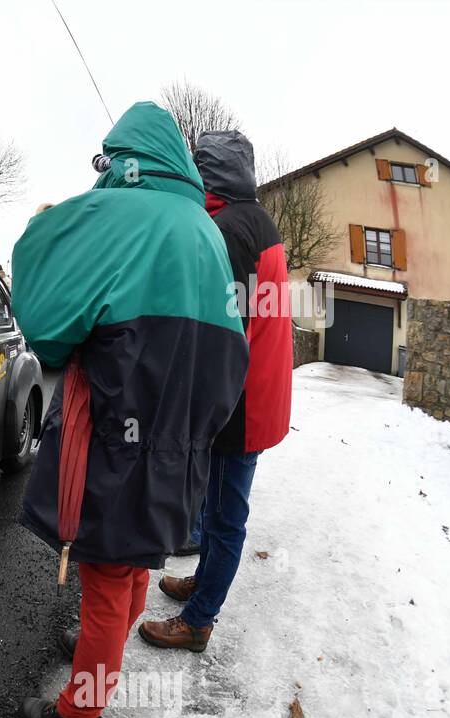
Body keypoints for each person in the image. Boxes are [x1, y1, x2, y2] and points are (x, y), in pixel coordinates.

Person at [12, 102, 248, 718]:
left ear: (126, 160)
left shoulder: (117, 215)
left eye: (109, 161)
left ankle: (79, 712)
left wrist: (58, 223)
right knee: (136, 562)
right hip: (181, 445)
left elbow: (45, 320)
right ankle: (104, 641)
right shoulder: (203, 230)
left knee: (108, 574)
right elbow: (234, 360)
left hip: (120, 439)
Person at [138, 130, 293, 653]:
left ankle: (199, 620)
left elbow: (221, 331)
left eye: (199, 167)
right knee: (218, 505)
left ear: (211, 173)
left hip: (240, 403)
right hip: (256, 394)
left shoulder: (229, 229)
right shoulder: (253, 219)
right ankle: (202, 586)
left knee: (227, 517)